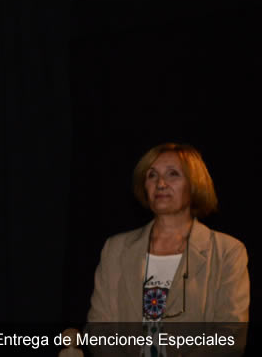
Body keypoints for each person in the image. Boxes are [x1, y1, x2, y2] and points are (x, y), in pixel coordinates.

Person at [87, 143, 249, 354]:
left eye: (173, 174)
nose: (160, 183)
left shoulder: (227, 251)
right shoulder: (115, 249)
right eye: (152, 175)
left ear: (194, 184)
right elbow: (98, 330)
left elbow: (230, 336)